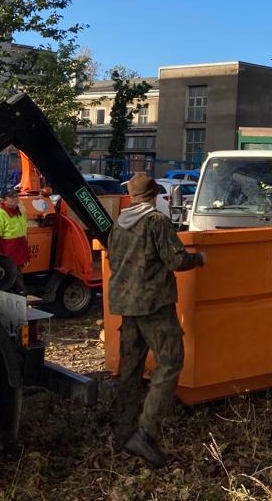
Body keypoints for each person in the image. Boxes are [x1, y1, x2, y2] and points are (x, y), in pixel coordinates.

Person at [108, 172, 206, 468]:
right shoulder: (156, 221)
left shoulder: (118, 225)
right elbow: (177, 260)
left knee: (131, 367)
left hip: (126, 304)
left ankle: (122, 432)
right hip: (153, 303)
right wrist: (200, 258)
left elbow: (114, 260)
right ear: (153, 196)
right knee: (171, 360)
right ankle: (145, 433)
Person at [0, 188, 29, 274]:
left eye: (16, 195)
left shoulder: (21, 214)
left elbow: (24, 238)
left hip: (18, 261)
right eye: (12, 197)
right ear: (2, 200)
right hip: (7, 264)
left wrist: (26, 257)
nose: (16, 198)